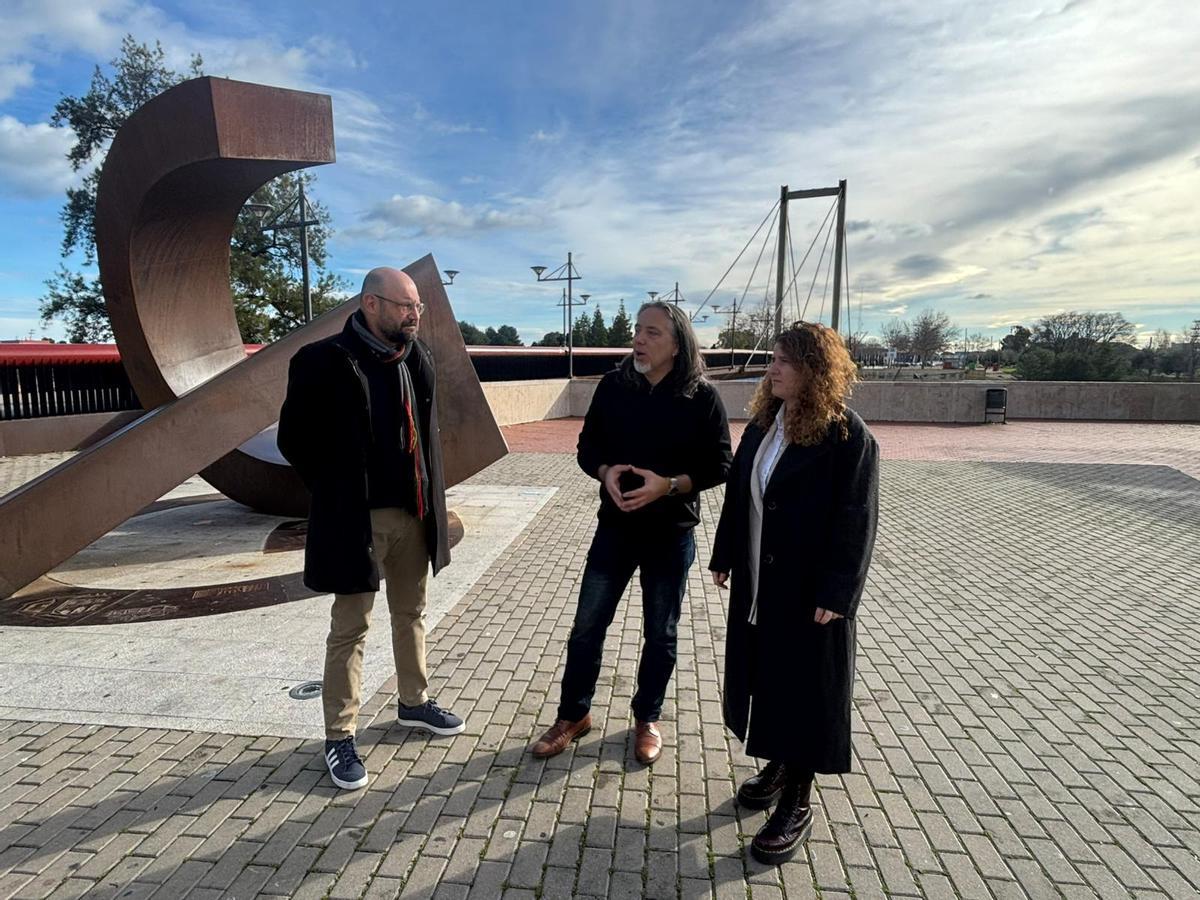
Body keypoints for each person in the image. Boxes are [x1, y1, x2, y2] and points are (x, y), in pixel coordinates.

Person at [278, 267, 464, 791]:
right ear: (371, 304)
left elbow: (427, 435)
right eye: (405, 306)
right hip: (358, 518)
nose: (414, 315)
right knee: (351, 626)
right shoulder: (323, 361)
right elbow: (294, 438)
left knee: (412, 613)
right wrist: (334, 490)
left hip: (414, 512)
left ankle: (414, 702)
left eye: (418, 308)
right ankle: (339, 735)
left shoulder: (417, 359)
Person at [531, 301, 732, 765]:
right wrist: (603, 471)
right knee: (586, 629)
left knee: (660, 634)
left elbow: (721, 463)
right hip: (615, 530)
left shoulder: (701, 397)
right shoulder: (613, 387)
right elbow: (587, 449)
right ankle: (573, 715)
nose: (639, 339)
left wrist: (671, 485)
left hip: (670, 534)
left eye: (652, 333)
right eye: (638, 330)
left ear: (678, 344)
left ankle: (647, 718)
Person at [709, 321, 879, 865]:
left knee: (805, 691)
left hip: (811, 594)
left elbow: (857, 519)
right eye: (773, 359)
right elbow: (742, 492)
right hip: (762, 583)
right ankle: (779, 765)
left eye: (784, 361)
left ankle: (798, 803)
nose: (772, 368)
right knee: (769, 679)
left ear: (814, 370)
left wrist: (839, 591)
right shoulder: (765, 422)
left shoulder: (847, 436)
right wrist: (725, 553)